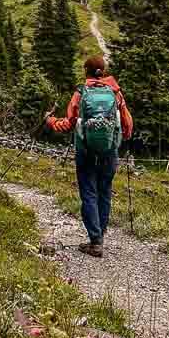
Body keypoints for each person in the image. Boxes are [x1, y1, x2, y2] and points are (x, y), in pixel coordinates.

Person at [45, 54, 133, 258]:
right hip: (110, 151)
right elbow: (127, 124)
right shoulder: (115, 93)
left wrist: (50, 122)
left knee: (89, 193)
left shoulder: (81, 93)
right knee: (104, 192)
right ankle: (99, 234)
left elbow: (69, 122)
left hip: (85, 151)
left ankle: (95, 241)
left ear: (86, 71)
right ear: (104, 71)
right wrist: (122, 138)